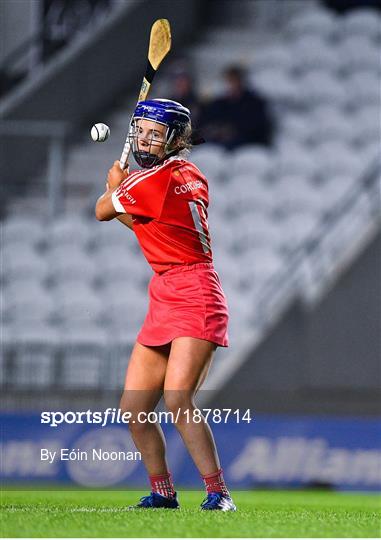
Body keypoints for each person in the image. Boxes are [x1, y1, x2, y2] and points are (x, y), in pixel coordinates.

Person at [95, 98, 236, 511]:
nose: (145, 139)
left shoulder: (149, 182)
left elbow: (102, 211)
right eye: (140, 130)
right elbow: (149, 223)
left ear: (176, 139)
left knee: (177, 397)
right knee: (135, 406)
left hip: (195, 291)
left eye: (155, 134)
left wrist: (113, 186)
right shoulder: (188, 173)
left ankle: (218, 493)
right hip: (166, 290)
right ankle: (162, 492)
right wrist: (122, 188)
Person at [200, 64, 273, 149]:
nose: (231, 84)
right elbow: (209, 120)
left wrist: (234, 130)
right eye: (229, 81)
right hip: (223, 141)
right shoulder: (221, 102)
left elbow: (258, 126)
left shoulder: (254, 102)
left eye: (234, 80)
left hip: (248, 142)